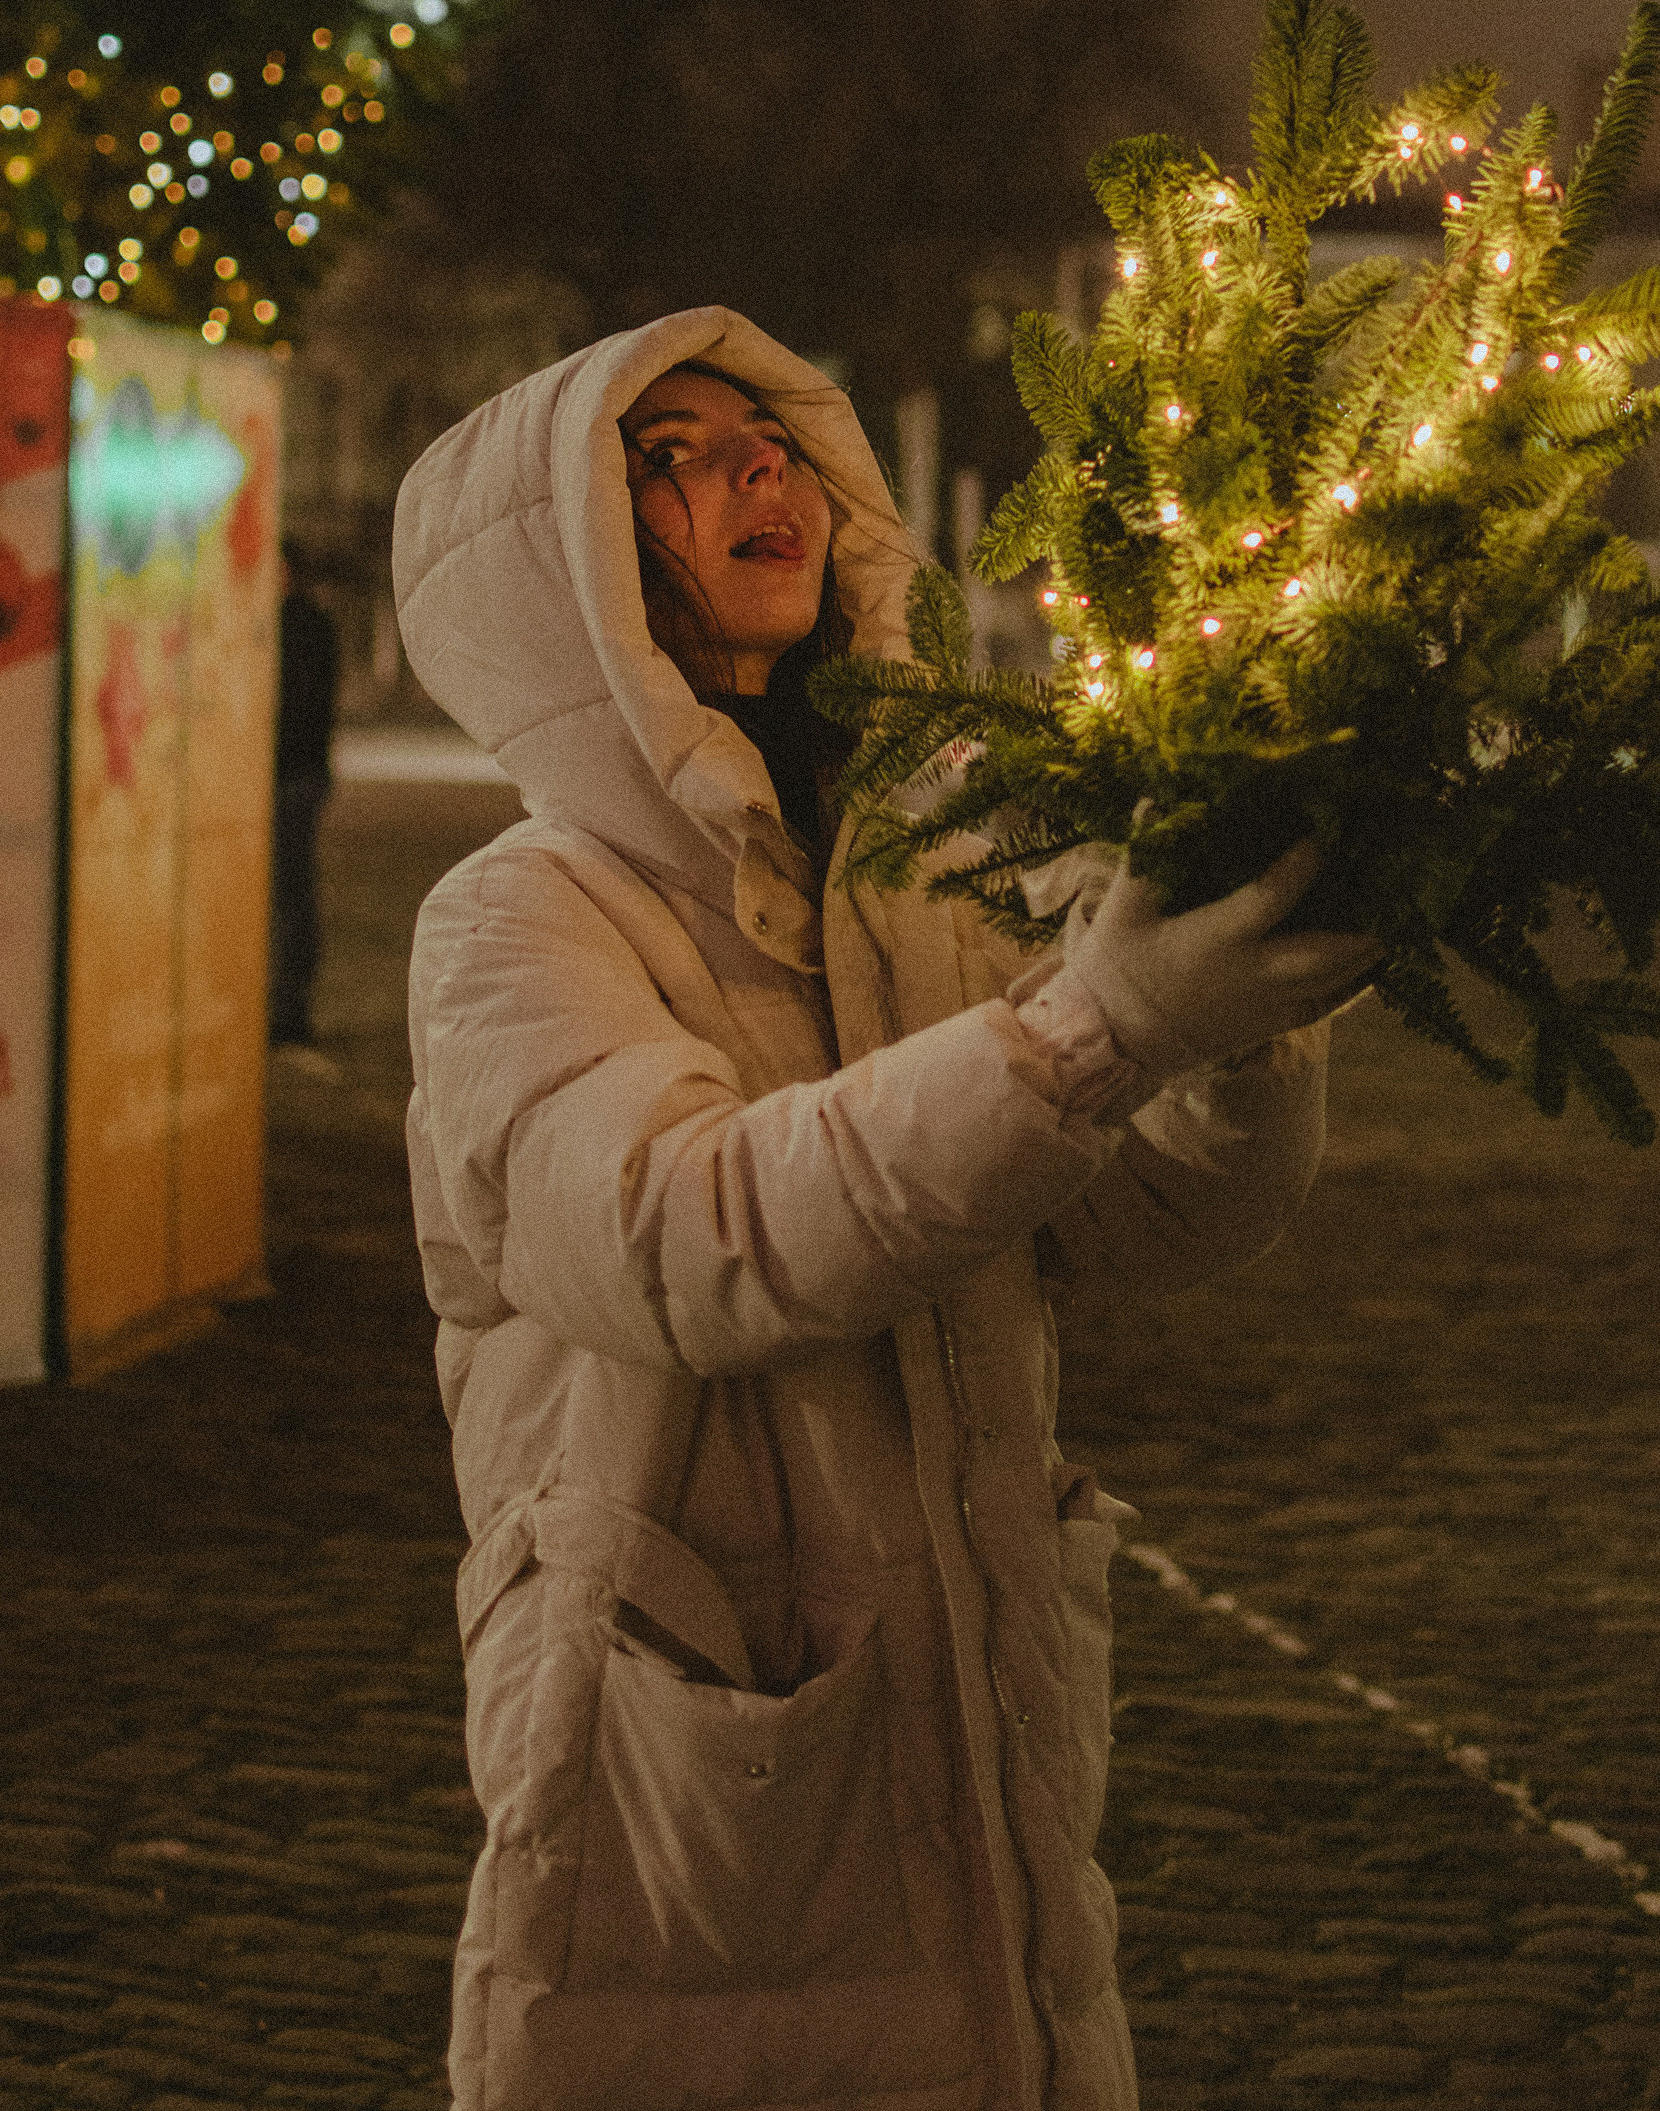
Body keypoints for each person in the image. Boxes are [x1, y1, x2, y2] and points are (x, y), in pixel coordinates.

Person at [393, 310, 1374, 2111]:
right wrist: (1090, 1029)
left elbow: (1139, 1226)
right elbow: (684, 1240)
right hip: (696, 1757)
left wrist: (1238, 1031)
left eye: (758, 433)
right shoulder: (517, 920)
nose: (750, 464)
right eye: (664, 457)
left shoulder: (924, 869)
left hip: (983, 1722)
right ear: (560, 579)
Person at [270, 537, 341, 1073]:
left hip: (293, 777)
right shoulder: (259, 624)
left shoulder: (307, 627)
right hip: (273, 777)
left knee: (293, 896)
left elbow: (306, 707)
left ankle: (292, 1014)